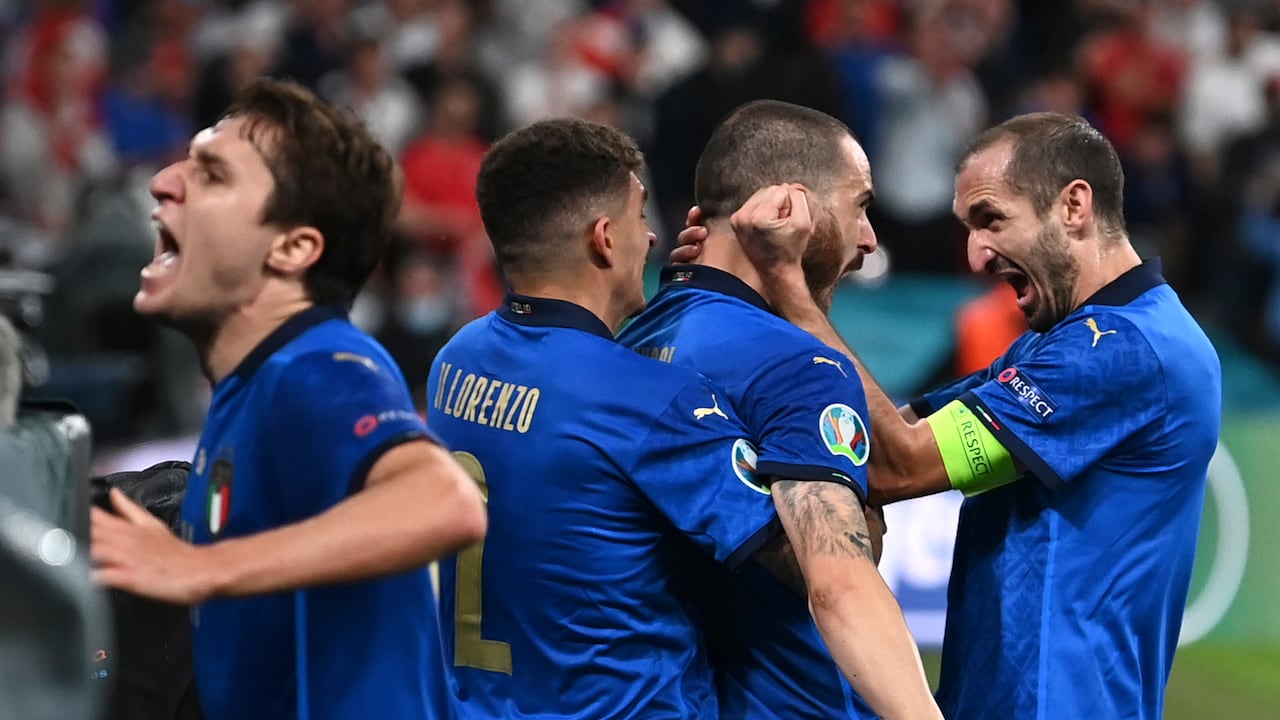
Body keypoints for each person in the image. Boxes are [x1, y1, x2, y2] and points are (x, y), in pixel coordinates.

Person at [715, 111, 1222, 720]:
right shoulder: (1062, 341)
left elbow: (903, 465)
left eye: (991, 220)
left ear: (1074, 206)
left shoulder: (1124, 349)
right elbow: (877, 448)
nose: (976, 255)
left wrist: (786, 287)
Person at [426, 116, 936, 719]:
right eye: (641, 217)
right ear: (604, 238)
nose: (652, 239)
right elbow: (831, 572)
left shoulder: (458, 359)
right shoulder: (660, 395)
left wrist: (693, 286)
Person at [89, 78, 488, 720]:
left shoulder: (313, 367)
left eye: (212, 175)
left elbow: (445, 503)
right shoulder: (253, 383)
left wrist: (202, 569)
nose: (165, 182)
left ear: (293, 247)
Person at [620, 99, 937, 719]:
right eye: (860, 204)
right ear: (790, 207)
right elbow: (843, 580)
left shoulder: (627, 343)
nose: (869, 239)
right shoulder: (798, 365)